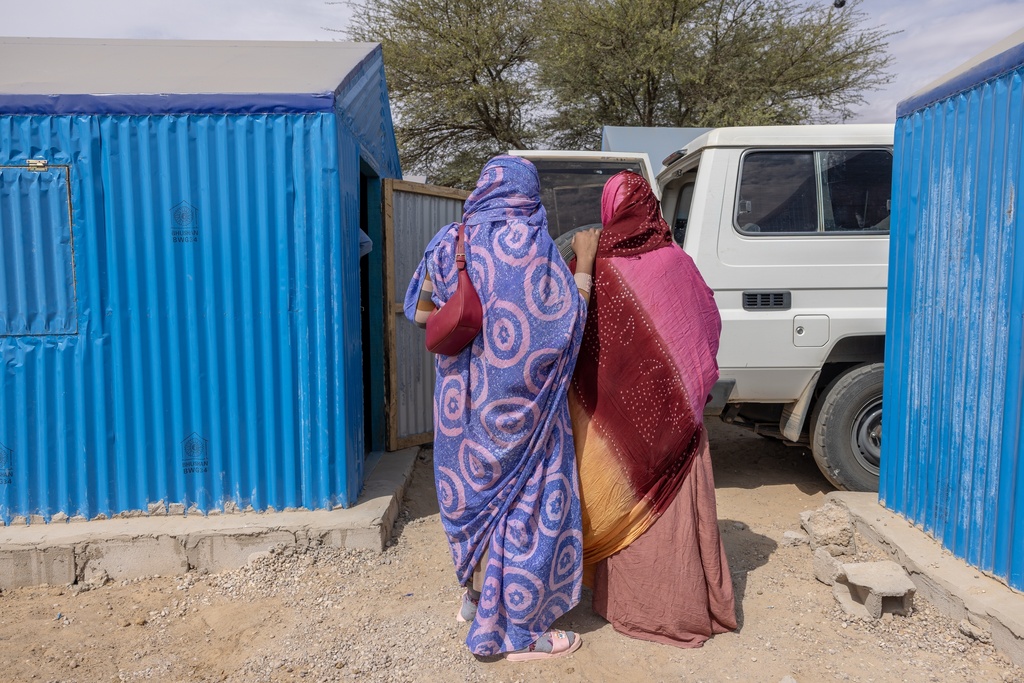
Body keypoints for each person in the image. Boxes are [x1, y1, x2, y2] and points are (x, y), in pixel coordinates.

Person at [403, 155, 600, 660]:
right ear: (528, 193)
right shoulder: (533, 248)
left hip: (462, 410)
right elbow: (568, 322)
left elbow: (422, 313)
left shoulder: (450, 242)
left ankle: (474, 598)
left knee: (476, 503)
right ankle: (516, 634)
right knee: (526, 510)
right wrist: (586, 266)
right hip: (524, 415)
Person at [569, 170, 737, 648]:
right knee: (673, 515)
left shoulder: (596, 266)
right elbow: (706, 326)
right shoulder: (678, 262)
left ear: (608, 210)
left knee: (623, 500)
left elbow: (569, 334)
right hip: (679, 423)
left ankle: (629, 604)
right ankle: (681, 603)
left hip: (618, 423)